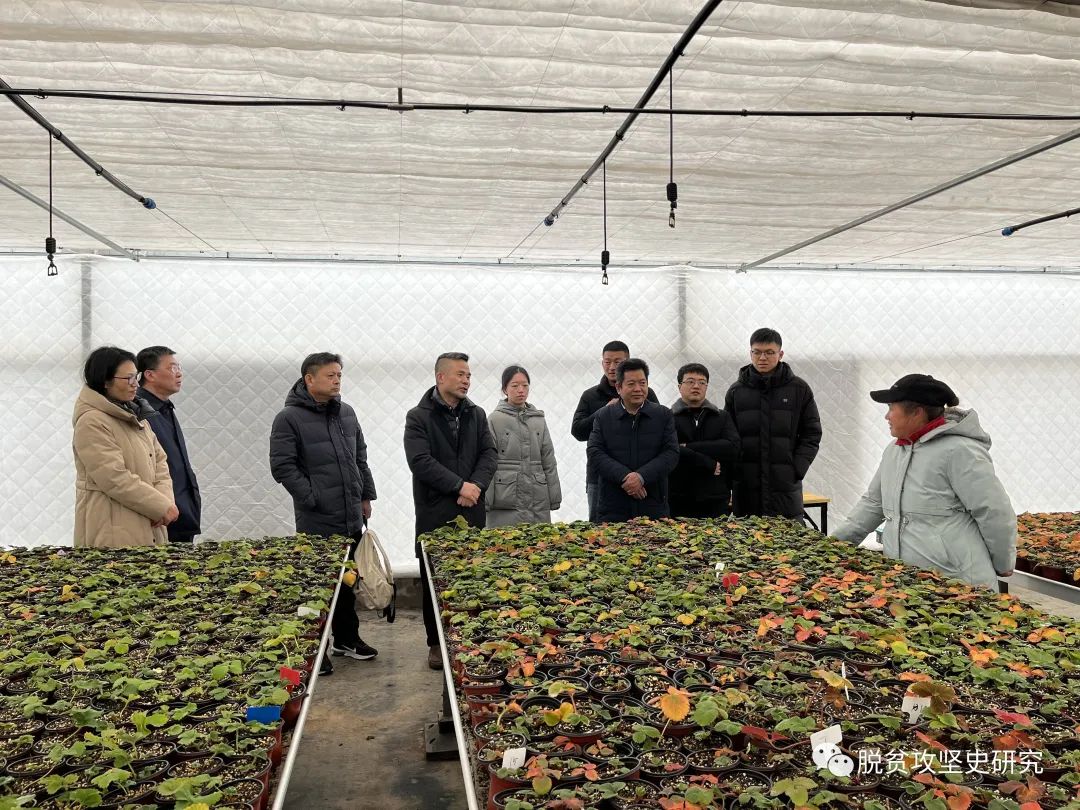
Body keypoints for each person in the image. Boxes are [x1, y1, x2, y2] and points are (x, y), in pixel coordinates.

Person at [832, 374, 1016, 590]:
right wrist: (833, 546)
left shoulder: (960, 451)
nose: (886, 416)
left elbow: (993, 510)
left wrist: (1003, 563)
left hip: (957, 580)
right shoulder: (894, 451)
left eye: (891, 408)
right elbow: (873, 503)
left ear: (917, 412)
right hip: (906, 579)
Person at [270, 352, 378, 674]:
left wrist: (365, 495)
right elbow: (283, 466)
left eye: (339, 375)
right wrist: (312, 497)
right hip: (316, 517)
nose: (337, 380)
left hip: (350, 514)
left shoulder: (346, 413)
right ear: (309, 379)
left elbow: (360, 457)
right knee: (316, 585)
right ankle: (314, 650)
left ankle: (346, 639)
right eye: (330, 375)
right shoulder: (288, 418)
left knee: (347, 581)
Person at [405, 352, 498, 669]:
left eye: (468, 375)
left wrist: (476, 486)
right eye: (460, 374)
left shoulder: (476, 414)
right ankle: (436, 643)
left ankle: (468, 639)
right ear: (440, 377)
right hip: (436, 511)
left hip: (472, 510)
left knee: (471, 579)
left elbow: (489, 454)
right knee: (434, 583)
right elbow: (420, 462)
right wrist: (459, 486)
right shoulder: (418, 417)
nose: (466, 380)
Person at [72, 346, 178, 548]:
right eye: (128, 378)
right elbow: (114, 477)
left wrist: (164, 503)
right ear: (105, 381)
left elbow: (160, 462)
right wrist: (159, 506)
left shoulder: (136, 416)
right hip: (112, 532)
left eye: (135, 377)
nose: (135, 384)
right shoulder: (92, 421)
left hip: (150, 523)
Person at [724, 328, 821, 520]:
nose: (762, 358)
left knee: (788, 536)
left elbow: (812, 433)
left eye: (769, 352)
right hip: (746, 485)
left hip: (784, 486)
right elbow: (728, 436)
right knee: (746, 536)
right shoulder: (736, 391)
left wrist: (796, 468)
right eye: (757, 352)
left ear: (780, 354)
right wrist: (735, 471)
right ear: (750, 353)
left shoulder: (799, 389)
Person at [572, 341, 658, 521]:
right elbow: (578, 431)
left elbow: (658, 431)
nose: (612, 367)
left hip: (641, 476)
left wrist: (642, 476)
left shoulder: (645, 393)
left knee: (646, 529)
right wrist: (604, 411)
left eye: (618, 362)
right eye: (607, 362)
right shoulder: (591, 395)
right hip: (600, 476)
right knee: (599, 529)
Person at [587, 358, 679, 523]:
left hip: (653, 503)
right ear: (618, 387)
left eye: (642, 383)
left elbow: (671, 453)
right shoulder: (603, 416)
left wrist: (641, 477)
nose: (638, 389)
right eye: (631, 384)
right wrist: (625, 477)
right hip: (613, 506)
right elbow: (595, 452)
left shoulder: (663, 415)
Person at [136, 346, 201, 544]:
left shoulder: (164, 407)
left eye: (179, 367)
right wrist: (158, 506)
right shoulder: (139, 410)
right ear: (150, 375)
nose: (179, 373)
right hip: (159, 515)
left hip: (181, 512)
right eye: (172, 368)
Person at [486, 366, 562, 526]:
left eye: (525, 385)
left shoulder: (538, 419)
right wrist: (486, 500)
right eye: (515, 386)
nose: (521, 390)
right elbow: (488, 462)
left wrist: (554, 496)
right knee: (505, 539)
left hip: (537, 496)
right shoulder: (495, 419)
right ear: (504, 389)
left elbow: (548, 460)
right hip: (505, 496)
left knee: (537, 539)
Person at [668, 363, 741, 519]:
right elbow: (670, 450)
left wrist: (688, 446)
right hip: (678, 496)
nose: (696, 386)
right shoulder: (667, 417)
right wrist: (709, 462)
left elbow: (732, 447)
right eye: (690, 381)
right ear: (679, 386)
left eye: (702, 382)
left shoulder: (721, 416)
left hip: (716, 496)